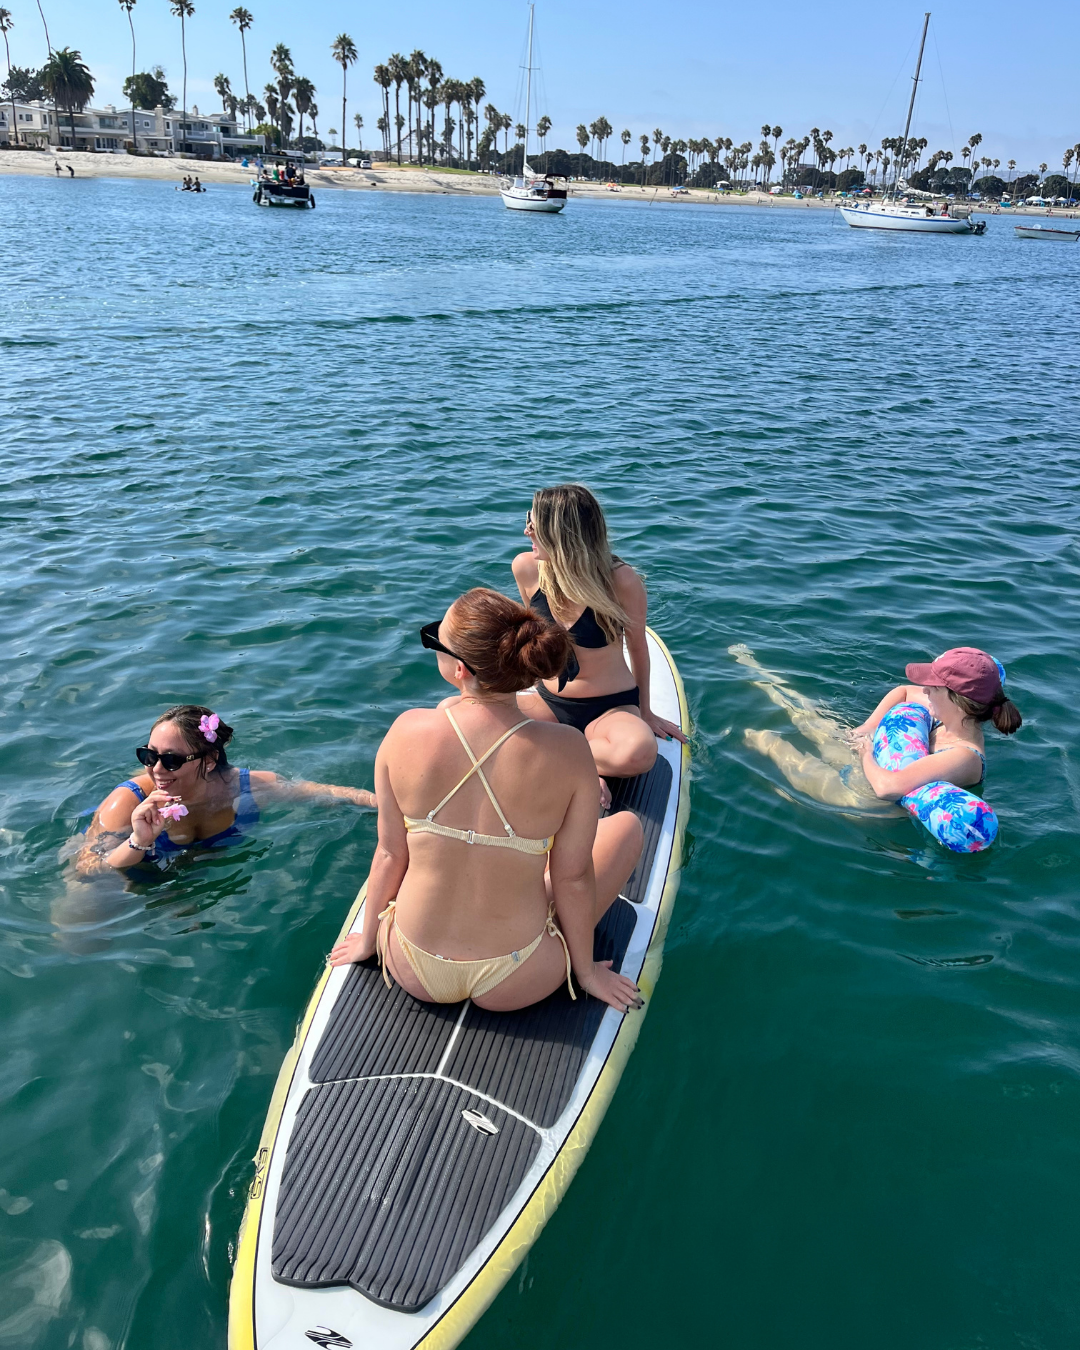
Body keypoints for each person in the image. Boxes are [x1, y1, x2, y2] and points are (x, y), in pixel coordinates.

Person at [330, 589, 645, 1014]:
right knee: (625, 828)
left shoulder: (405, 731)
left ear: (459, 669)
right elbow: (574, 879)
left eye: (433, 641)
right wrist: (586, 973)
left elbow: (389, 854)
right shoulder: (569, 750)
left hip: (410, 962)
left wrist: (368, 942)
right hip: (519, 974)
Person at [512, 484, 686, 781]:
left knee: (639, 752)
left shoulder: (620, 580)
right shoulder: (527, 569)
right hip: (548, 702)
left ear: (562, 534)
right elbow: (535, 640)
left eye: (535, 523)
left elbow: (638, 647)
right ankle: (580, 760)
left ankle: (559, 755)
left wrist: (645, 711)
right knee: (461, 712)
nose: (527, 531)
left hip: (610, 708)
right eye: (529, 519)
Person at [74, 704, 375, 876]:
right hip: (127, 875)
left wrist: (382, 803)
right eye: (148, 755)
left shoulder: (247, 786)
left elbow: (322, 792)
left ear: (209, 760)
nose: (156, 768)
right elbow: (85, 869)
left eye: (171, 760)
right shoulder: (126, 802)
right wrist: (138, 841)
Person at [736, 644, 1021, 808]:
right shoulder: (950, 715)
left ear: (958, 701)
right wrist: (866, 729)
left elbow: (886, 787)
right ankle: (760, 674)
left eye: (933, 687)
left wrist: (864, 753)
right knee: (808, 716)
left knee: (775, 748)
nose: (925, 690)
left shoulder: (964, 757)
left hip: (863, 797)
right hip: (869, 759)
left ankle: (742, 736)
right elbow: (904, 691)